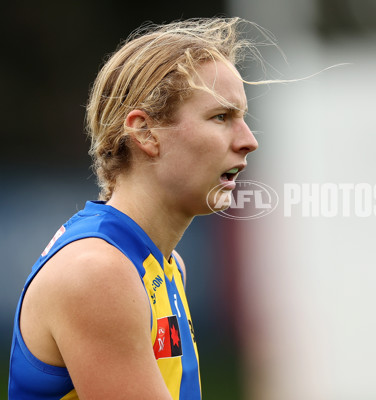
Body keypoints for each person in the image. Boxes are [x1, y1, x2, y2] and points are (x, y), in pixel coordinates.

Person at [9, 18, 260, 399]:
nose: (249, 141)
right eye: (221, 117)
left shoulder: (164, 264)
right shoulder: (99, 273)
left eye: (243, 118)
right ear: (145, 132)